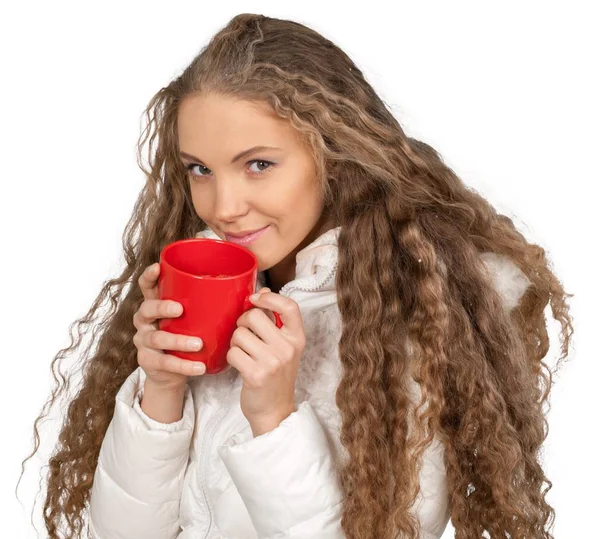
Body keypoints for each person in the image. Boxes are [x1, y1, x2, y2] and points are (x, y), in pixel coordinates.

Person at [20, 13, 574, 539]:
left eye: (258, 164)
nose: (224, 206)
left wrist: (275, 417)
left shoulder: (421, 317)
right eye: (200, 169)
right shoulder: (211, 276)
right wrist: (159, 393)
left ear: (334, 155)